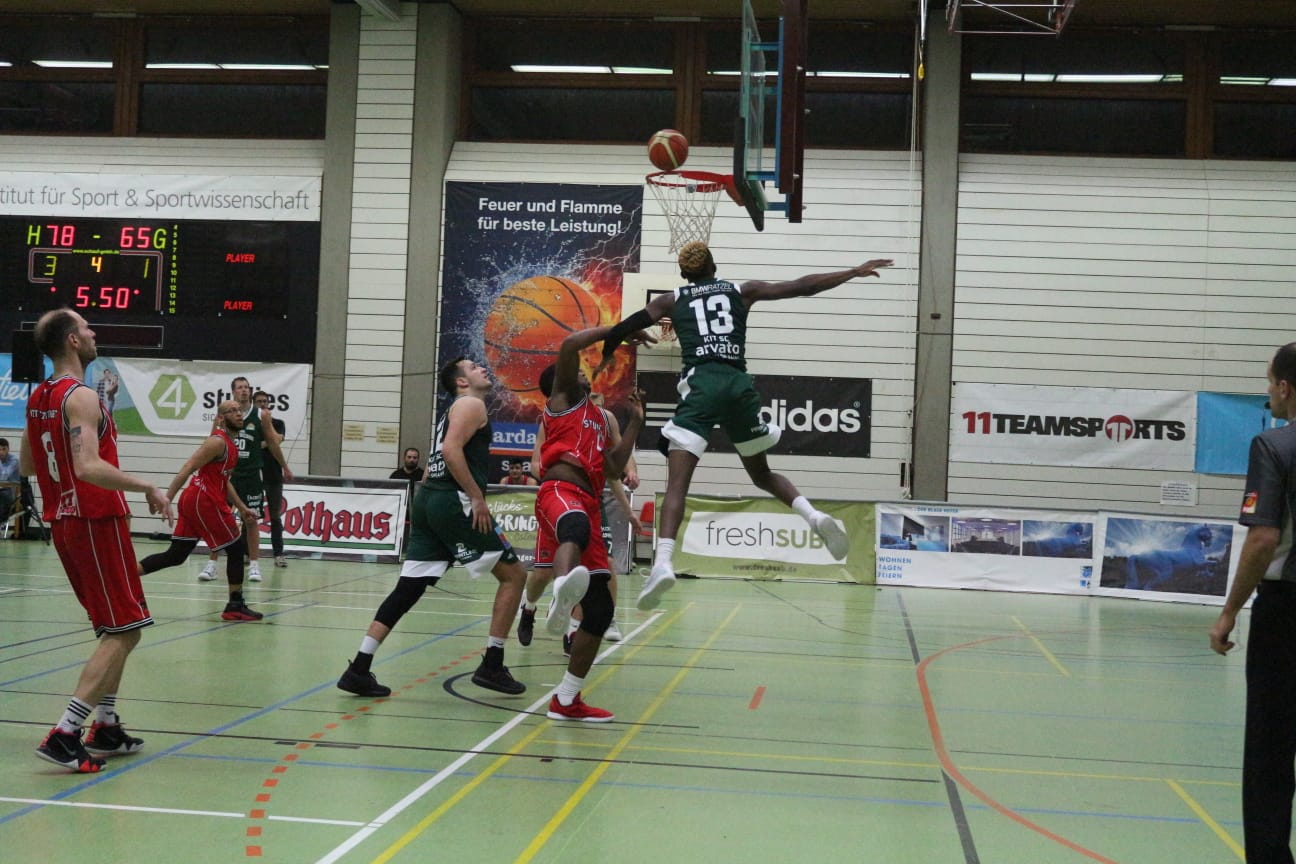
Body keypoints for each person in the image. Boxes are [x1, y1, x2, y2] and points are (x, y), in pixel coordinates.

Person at [597, 241, 892, 611]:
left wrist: (612, 348)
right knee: (762, 474)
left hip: (702, 386)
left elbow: (622, 328)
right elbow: (801, 286)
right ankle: (813, 516)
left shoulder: (671, 301)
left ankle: (663, 563)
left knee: (677, 485)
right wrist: (851, 272)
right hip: (738, 387)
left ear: (685, 273)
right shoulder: (742, 291)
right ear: (714, 265)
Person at [19, 308, 173, 773]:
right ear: (71, 341)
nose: (92, 333)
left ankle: (104, 725)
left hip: (65, 520)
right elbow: (87, 467)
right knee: (123, 630)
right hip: (93, 518)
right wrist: (146, 485)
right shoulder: (80, 396)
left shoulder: (40, 396)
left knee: (121, 628)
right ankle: (66, 732)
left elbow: (28, 465)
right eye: (85, 328)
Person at [337, 357, 527, 698]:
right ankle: (492, 664)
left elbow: (434, 463)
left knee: (408, 589)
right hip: (452, 500)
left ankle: (359, 667)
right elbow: (451, 451)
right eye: (472, 367)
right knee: (514, 576)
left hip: (429, 498)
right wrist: (476, 499)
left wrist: (428, 503)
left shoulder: (452, 410)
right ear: (461, 382)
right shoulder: (470, 404)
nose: (482, 368)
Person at [1210, 342, 1296, 864]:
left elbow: (1263, 541)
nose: (1269, 393)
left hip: (1287, 613)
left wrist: (1228, 612)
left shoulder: (1274, 446)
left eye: (1269, 383)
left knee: (1270, 750)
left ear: (1285, 386)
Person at [531, 325, 644, 722]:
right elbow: (569, 343)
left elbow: (613, 466)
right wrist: (626, 328)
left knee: (598, 612)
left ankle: (566, 700)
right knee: (574, 530)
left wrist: (634, 424)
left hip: (591, 501)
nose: (583, 374)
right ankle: (560, 595)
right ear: (558, 385)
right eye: (576, 373)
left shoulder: (599, 416)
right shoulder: (562, 402)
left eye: (584, 374)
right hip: (560, 489)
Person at [138, 400, 264, 621]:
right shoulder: (217, 442)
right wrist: (167, 498)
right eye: (231, 411)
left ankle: (122, 578)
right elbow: (188, 468)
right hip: (203, 500)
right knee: (235, 549)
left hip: (197, 500)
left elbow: (224, 481)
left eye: (239, 410)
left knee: (176, 555)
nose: (238, 414)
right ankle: (235, 604)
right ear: (221, 418)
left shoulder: (232, 445)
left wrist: (242, 507)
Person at [199, 377, 292, 583]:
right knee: (219, 519)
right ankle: (212, 564)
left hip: (251, 475)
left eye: (246, 388)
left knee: (251, 520)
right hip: (227, 475)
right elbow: (212, 441)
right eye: (240, 388)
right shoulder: (223, 416)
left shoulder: (260, 415)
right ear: (233, 392)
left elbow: (273, 443)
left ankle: (254, 566)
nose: (244, 391)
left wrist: (284, 465)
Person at [255, 391, 289, 568]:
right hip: (254, 474)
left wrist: (265, 440)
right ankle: (247, 553)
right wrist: (269, 441)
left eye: (265, 402)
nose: (262, 404)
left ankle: (278, 554)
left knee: (275, 516)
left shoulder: (278, 423)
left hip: (273, 475)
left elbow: (277, 439)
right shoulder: (250, 424)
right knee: (251, 514)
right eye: (259, 402)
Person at [0, 437, 19, 518]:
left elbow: (4, 476)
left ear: (8, 449)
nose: (1, 452)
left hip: (13, 494)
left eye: (3, 449)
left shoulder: (14, 460)